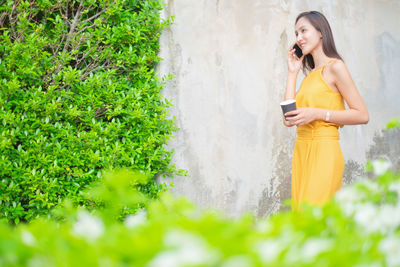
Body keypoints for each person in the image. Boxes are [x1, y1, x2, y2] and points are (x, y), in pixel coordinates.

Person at [282, 11, 369, 211]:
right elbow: (288, 119)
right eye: (296, 33)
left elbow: (362, 114)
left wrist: (318, 114)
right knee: (301, 222)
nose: (298, 38)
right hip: (301, 150)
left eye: (304, 30)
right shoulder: (309, 76)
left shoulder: (335, 67)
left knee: (314, 220)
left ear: (321, 32)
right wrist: (292, 73)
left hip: (324, 150)